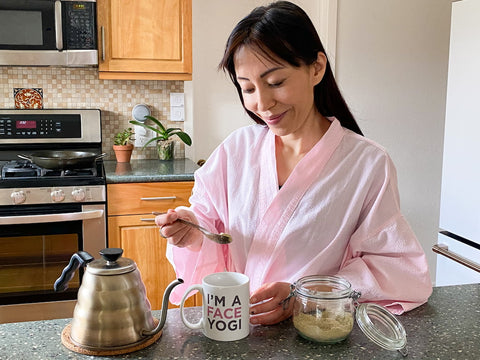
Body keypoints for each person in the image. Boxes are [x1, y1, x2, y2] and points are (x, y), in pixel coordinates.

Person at [155, 1, 432, 325]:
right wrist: (191, 231)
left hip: (317, 331)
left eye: (275, 82)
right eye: (247, 88)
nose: (262, 103)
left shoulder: (367, 165)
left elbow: (394, 268)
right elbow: (209, 220)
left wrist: (304, 295)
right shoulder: (236, 150)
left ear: (316, 67)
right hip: (239, 328)